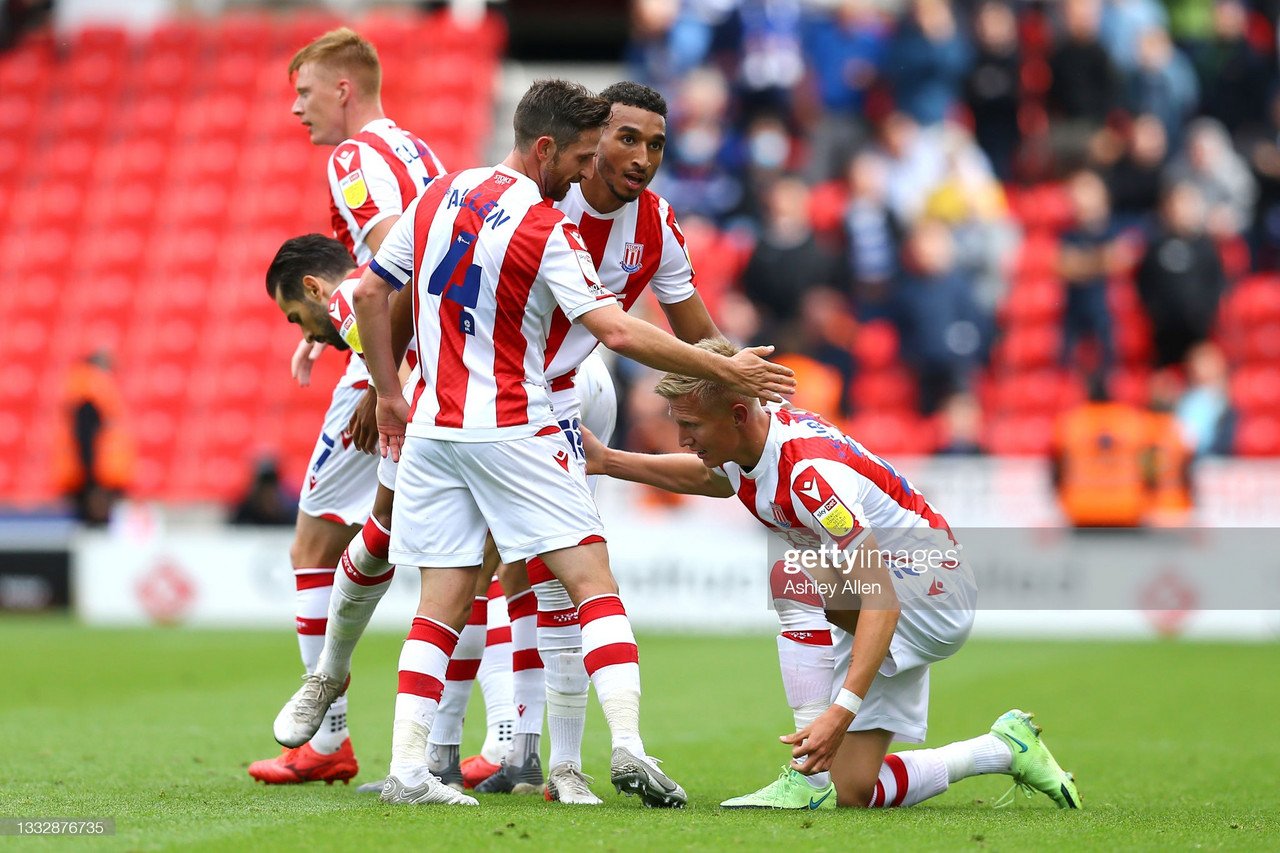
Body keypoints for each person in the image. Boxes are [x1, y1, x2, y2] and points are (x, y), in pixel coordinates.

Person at [275, 79, 794, 807]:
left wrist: (390, 390)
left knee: (473, 585)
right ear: (568, 145)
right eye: (611, 145)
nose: (631, 160)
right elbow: (616, 327)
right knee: (568, 574)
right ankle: (354, 685)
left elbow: (370, 287)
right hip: (514, 413)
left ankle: (493, 757)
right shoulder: (550, 219)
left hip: (488, 406)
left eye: (657, 145)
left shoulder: (452, 192)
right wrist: (375, 387)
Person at [582, 338, 1081, 811]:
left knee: (791, 573)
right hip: (880, 595)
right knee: (857, 789)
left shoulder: (811, 476)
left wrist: (840, 711)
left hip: (928, 591)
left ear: (737, 415)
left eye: (690, 424)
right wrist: (609, 461)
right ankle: (1001, 749)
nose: (682, 437)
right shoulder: (750, 439)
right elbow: (714, 477)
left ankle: (806, 782)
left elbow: (881, 598)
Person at [474, 80, 723, 801]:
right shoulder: (540, 200)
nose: (643, 157)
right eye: (626, 139)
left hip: (575, 390)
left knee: (528, 571)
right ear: (589, 141)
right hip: (509, 392)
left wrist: (747, 387)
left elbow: (698, 333)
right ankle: (526, 750)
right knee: (508, 570)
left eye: (656, 145)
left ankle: (536, 755)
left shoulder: (657, 226)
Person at [248, 27, 447, 787]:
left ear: (342, 88)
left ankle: (325, 737)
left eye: (303, 93)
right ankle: (488, 742)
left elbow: (395, 259)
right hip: (436, 363)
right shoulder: (417, 152)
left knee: (312, 547)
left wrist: (372, 375)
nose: (296, 110)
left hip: (397, 365)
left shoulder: (354, 158)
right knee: (457, 559)